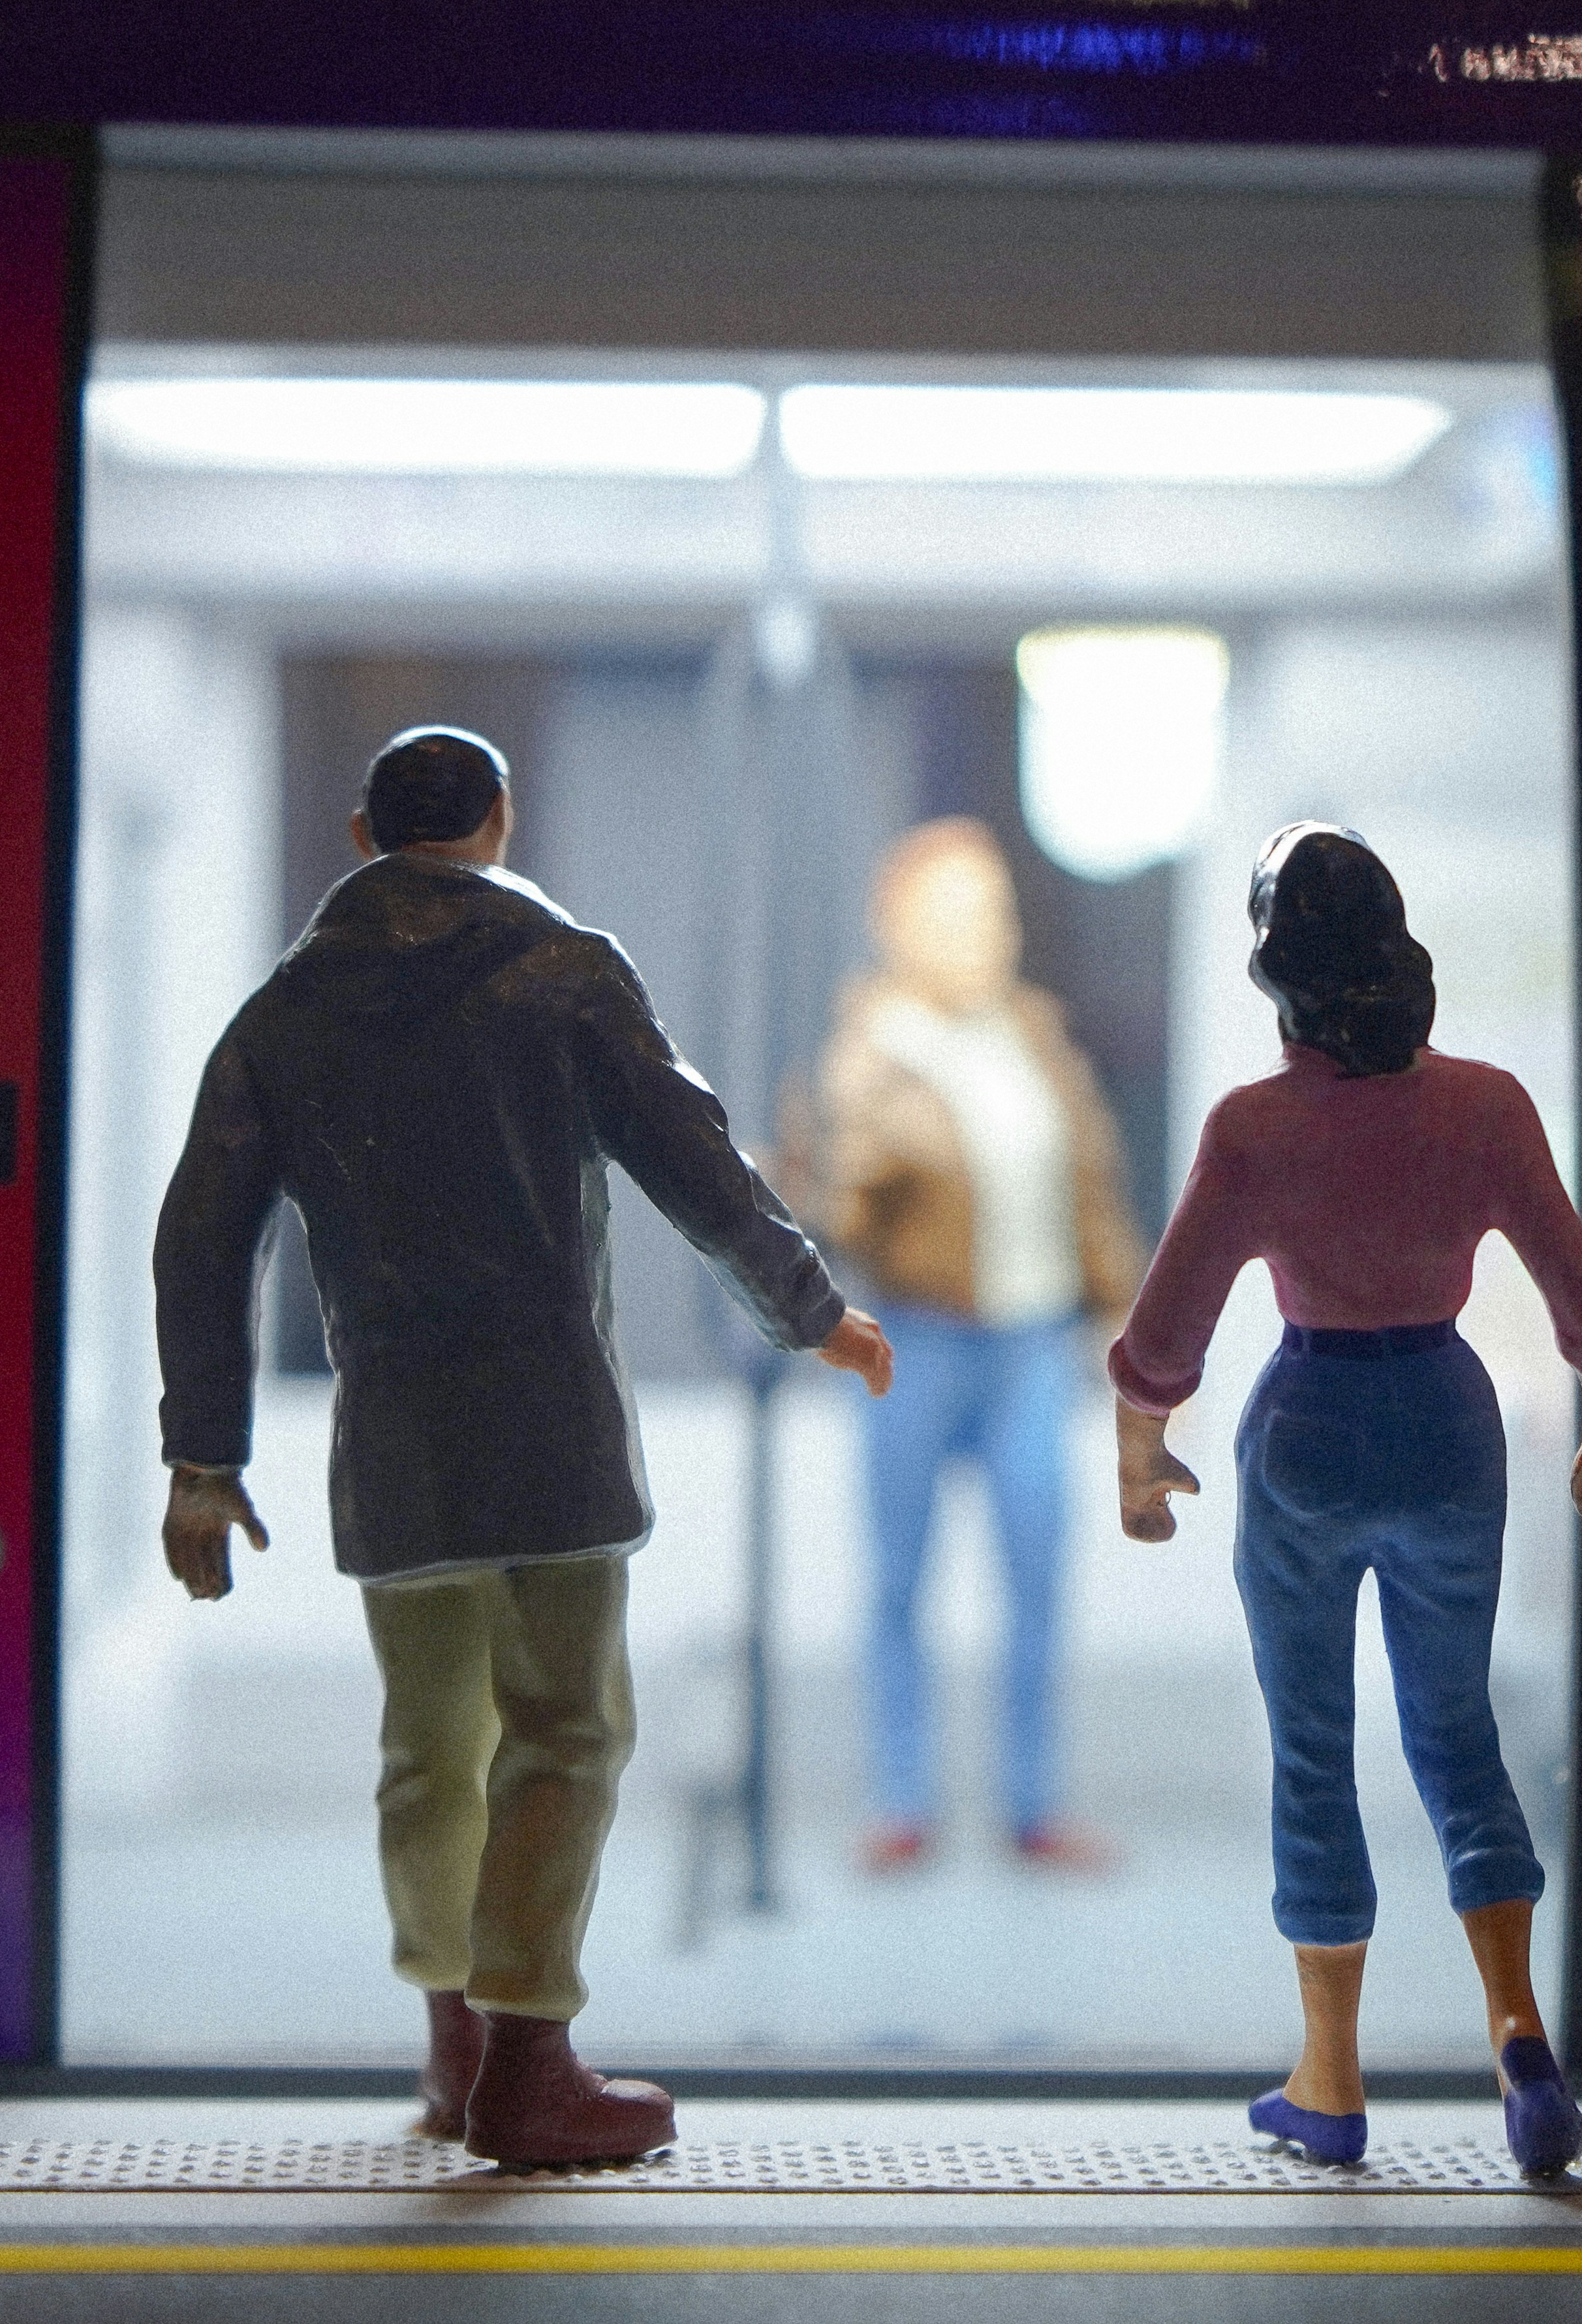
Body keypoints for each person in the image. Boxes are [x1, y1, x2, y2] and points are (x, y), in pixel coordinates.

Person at [151, 725, 893, 2169]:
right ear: (499, 817)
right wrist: (812, 1312)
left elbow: (200, 1240)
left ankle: (451, 2038)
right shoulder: (563, 972)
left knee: (428, 1743)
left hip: (393, 1432)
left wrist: (203, 1454)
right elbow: (698, 1160)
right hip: (546, 1421)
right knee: (563, 1728)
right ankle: (529, 2057)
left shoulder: (280, 1012)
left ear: (364, 831)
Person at [1109, 823, 1582, 2181]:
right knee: (1457, 1733)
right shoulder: (1487, 1104)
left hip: (1308, 1425)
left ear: (1272, 964)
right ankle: (1519, 2035)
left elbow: (1162, 1331)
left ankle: (1329, 2077)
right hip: (1449, 1422)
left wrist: (1141, 1454)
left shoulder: (1252, 1126)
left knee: (1311, 1744)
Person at [794, 819, 1143, 1873]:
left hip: (1033, 1343)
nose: (983, 933)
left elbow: (1092, 1182)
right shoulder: (874, 1046)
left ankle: (1034, 1803)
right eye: (954, 912)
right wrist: (846, 1163)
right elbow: (836, 1200)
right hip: (918, 1338)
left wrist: (1127, 1312)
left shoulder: (1033, 1034)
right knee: (899, 1576)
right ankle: (904, 1798)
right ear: (897, 926)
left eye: (994, 910)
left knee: (1037, 1569)